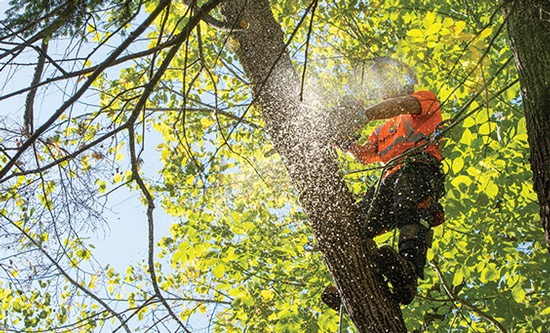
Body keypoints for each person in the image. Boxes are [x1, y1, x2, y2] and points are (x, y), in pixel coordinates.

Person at [321, 71, 446, 309]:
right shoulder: (381, 130)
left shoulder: (424, 100)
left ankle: (408, 271)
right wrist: (341, 140)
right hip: (388, 180)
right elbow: (365, 155)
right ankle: (353, 281)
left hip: (419, 169)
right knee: (354, 224)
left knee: (407, 205)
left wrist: (362, 116)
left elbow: (398, 105)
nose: (384, 93)